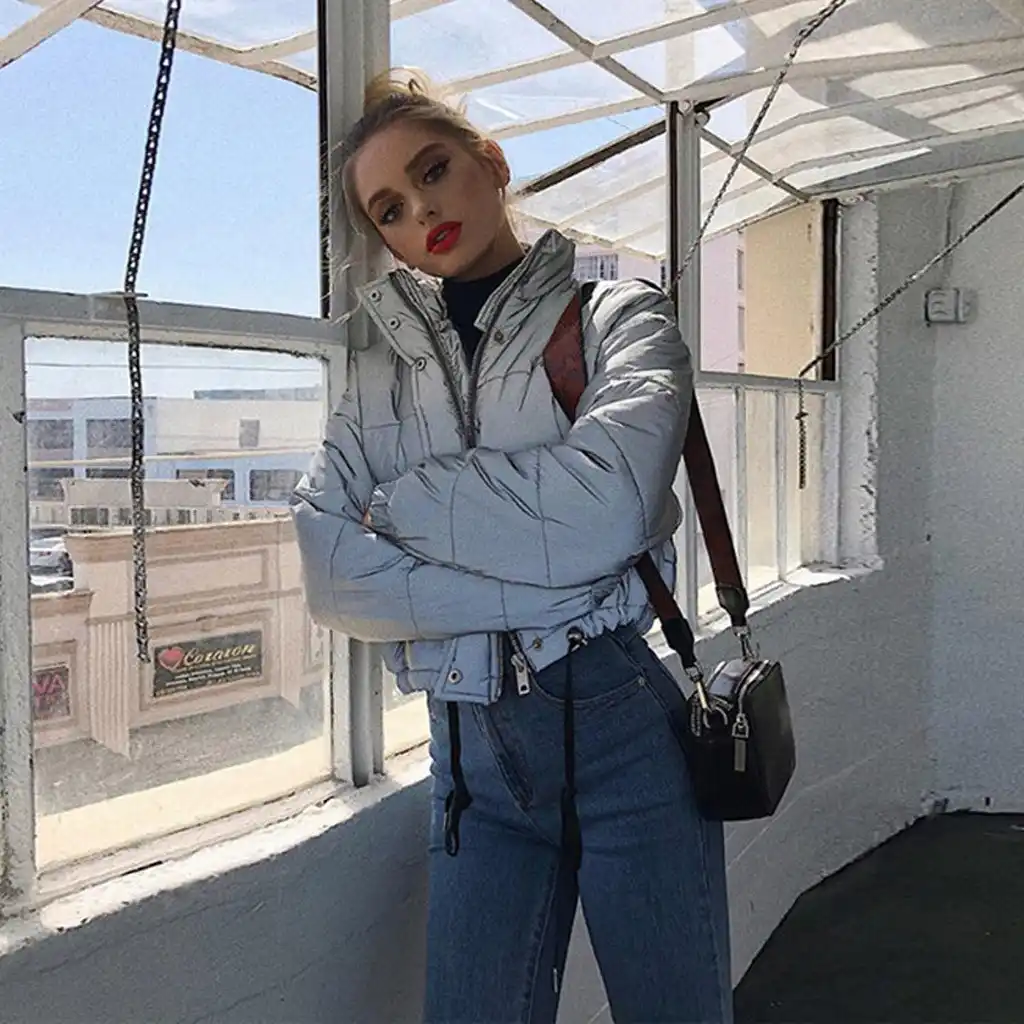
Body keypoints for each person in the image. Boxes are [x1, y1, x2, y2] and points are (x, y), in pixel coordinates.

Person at [293, 68, 733, 1024]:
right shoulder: (377, 381)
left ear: (491, 163)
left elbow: (609, 510)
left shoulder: (622, 318)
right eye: (390, 208)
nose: (421, 210)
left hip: (622, 733)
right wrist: (553, 586)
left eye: (433, 171)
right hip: (468, 766)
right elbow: (330, 576)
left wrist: (409, 508)